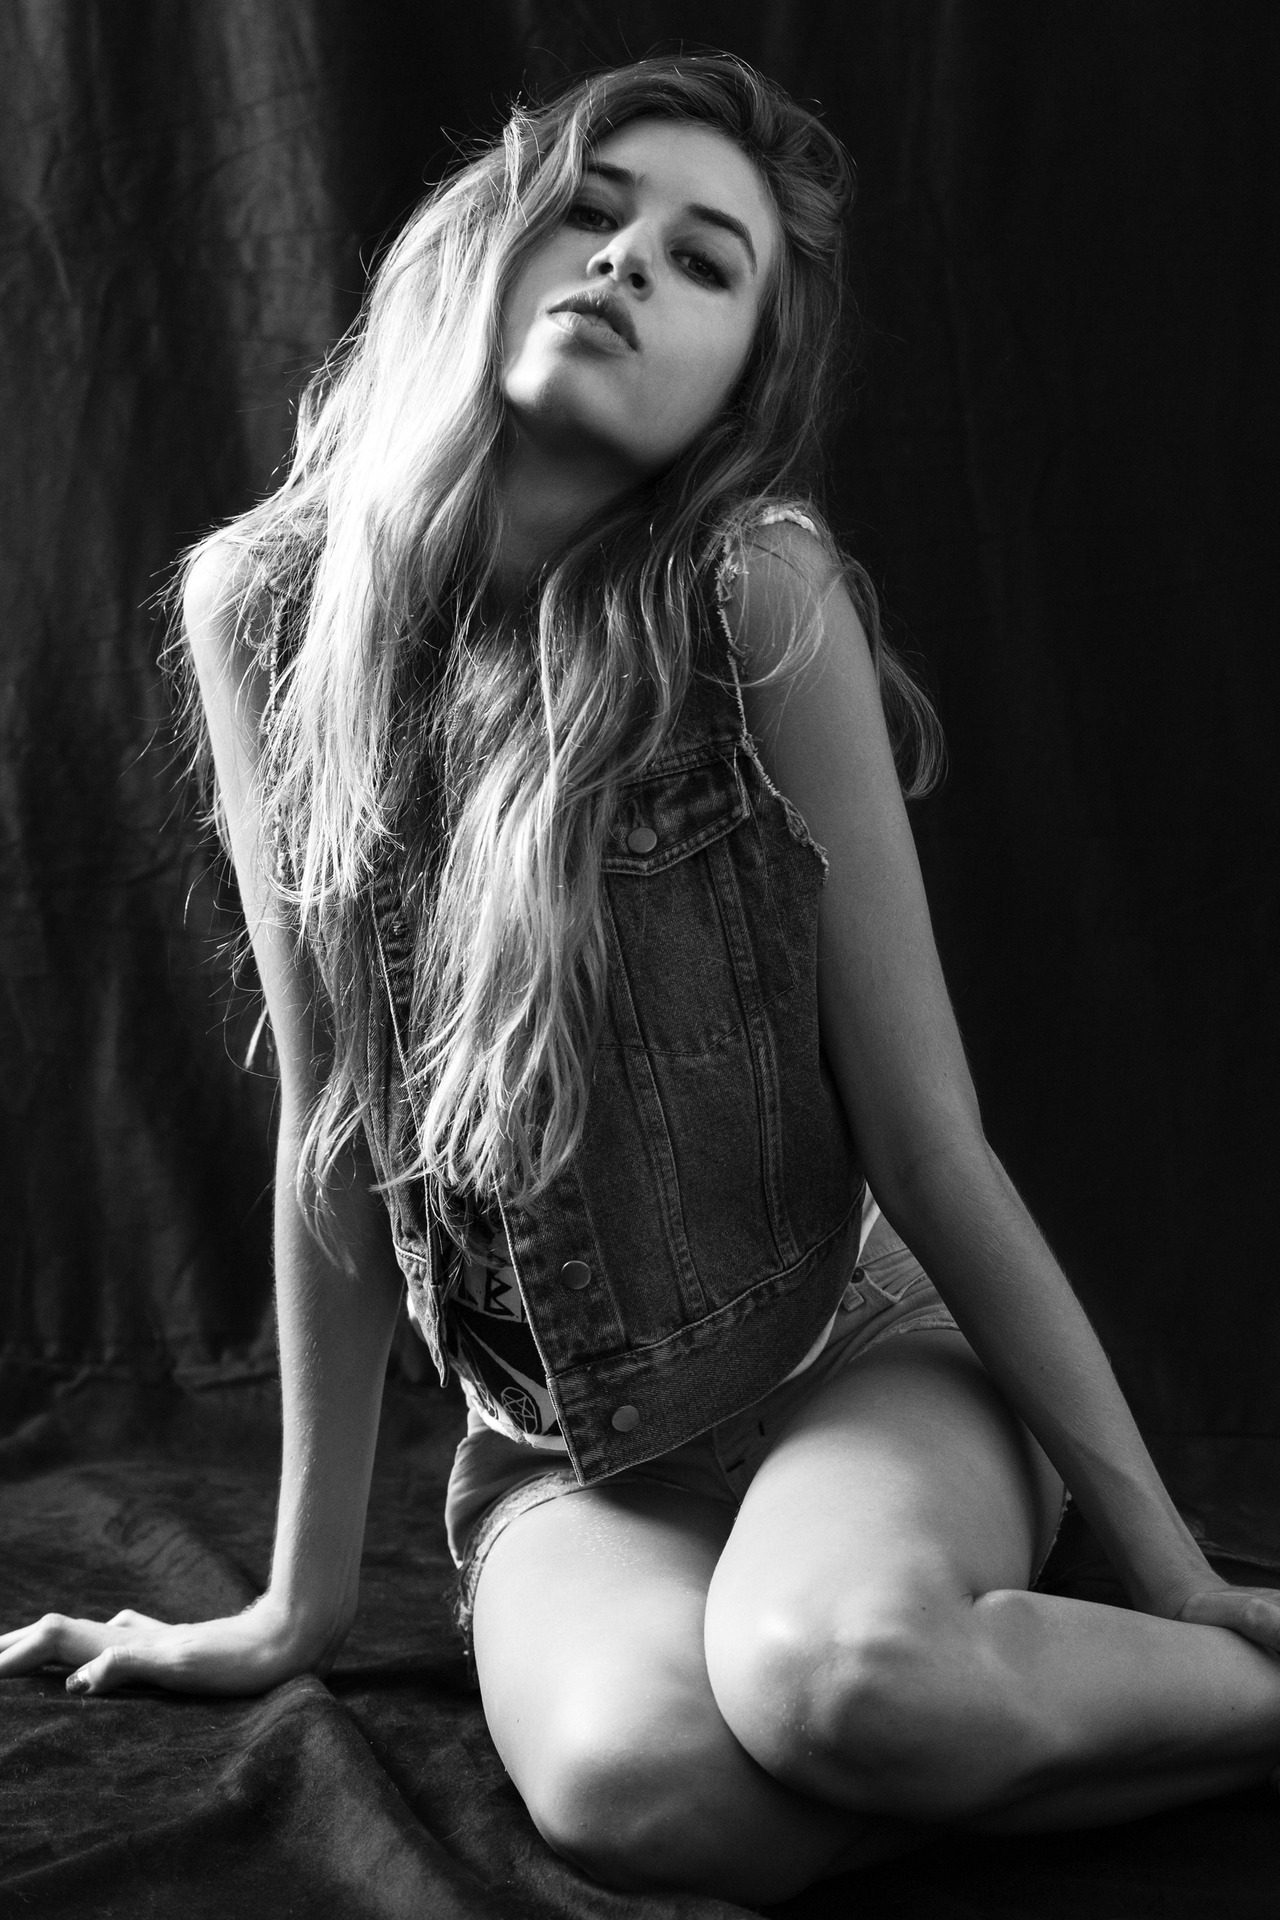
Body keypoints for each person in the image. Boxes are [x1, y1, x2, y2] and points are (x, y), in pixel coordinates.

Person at [3, 52, 1278, 1908]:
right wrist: (296, 1607)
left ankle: (1150, 1683)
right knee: (643, 1796)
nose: (622, 266)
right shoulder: (268, 611)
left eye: (702, 262)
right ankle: (1001, 1723)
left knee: (841, 1681)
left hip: (854, 1357)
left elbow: (931, 1146)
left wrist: (1171, 1570)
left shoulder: (755, 594)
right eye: (591, 217)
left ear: (739, 386)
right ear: (491, 248)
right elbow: (334, 1125)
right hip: (567, 1454)